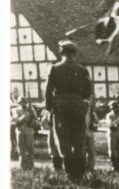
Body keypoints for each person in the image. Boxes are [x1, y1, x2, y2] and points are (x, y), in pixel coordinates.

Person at [44, 41, 94, 181]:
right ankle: (80, 174)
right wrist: (82, 104)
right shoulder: (83, 70)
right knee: (79, 139)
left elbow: (48, 92)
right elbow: (88, 92)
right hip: (78, 106)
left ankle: (70, 175)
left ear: (61, 52)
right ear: (75, 53)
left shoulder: (54, 69)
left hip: (61, 106)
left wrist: (49, 109)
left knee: (63, 139)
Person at [12, 97, 38, 171]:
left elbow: (36, 121)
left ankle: (31, 167)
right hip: (20, 132)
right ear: (19, 103)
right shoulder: (16, 110)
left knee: (30, 150)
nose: (23, 104)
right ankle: (22, 167)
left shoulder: (31, 110)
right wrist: (24, 116)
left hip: (29, 132)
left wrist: (32, 117)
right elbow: (16, 120)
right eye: (21, 102)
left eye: (24, 102)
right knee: (21, 150)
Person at [84, 100, 100, 172]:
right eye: (85, 106)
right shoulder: (80, 114)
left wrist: (94, 122)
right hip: (82, 134)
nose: (87, 107)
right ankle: (83, 166)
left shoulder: (92, 114)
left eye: (88, 106)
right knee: (82, 150)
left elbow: (97, 122)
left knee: (90, 151)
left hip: (90, 133)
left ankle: (90, 166)